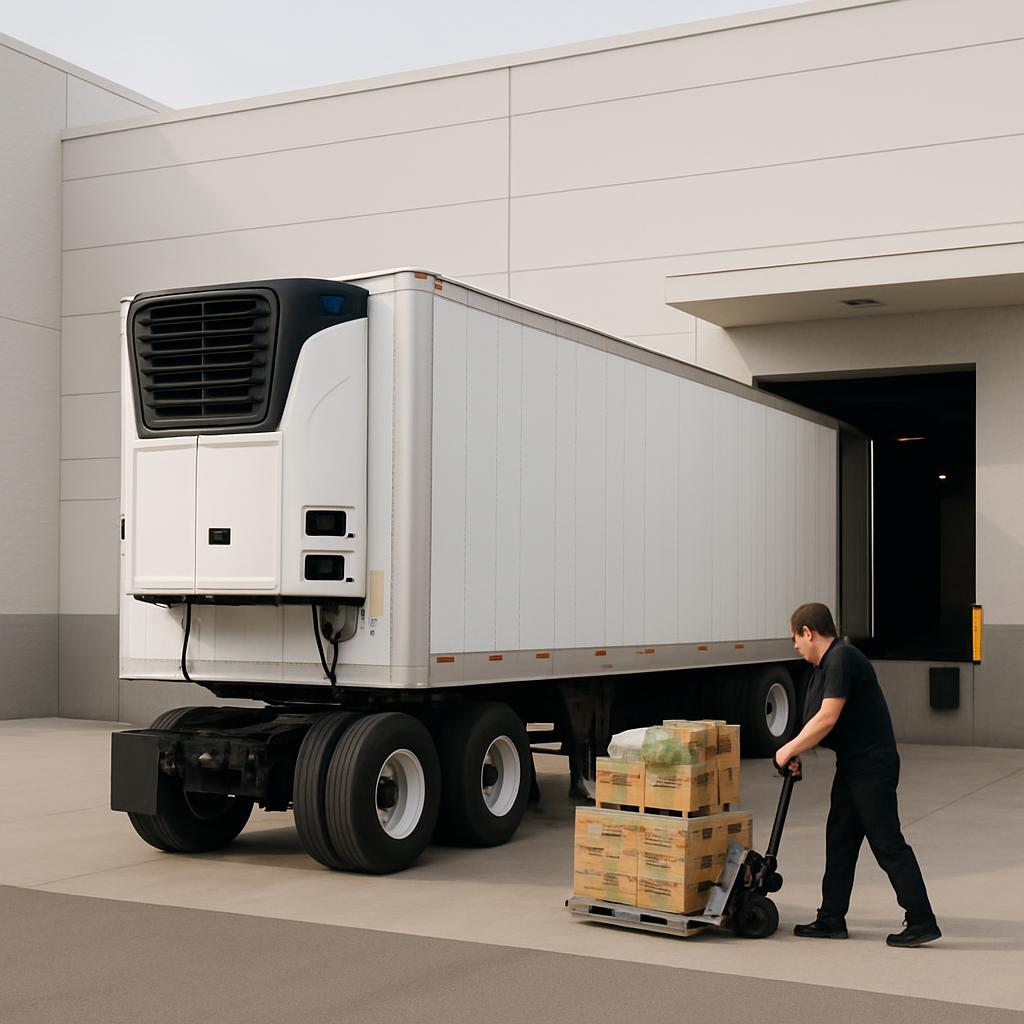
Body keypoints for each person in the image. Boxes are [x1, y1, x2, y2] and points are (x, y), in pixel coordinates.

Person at [773, 602, 941, 947]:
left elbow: (828, 717)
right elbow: (815, 720)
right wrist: (799, 749)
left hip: (872, 766)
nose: (795, 646)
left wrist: (788, 749)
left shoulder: (843, 658)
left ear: (808, 632)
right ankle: (831, 918)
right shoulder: (823, 666)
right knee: (840, 841)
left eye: (795, 638)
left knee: (887, 843)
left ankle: (922, 919)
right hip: (852, 765)